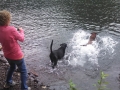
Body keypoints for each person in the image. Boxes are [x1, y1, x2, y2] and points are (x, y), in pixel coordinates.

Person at [0, 10, 30, 90]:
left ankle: (8, 82)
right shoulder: (12, 29)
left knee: (12, 67)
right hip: (17, 56)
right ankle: (24, 88)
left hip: (7, 55)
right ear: (7, 20)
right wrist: (21, 31)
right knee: (23, 71)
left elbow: (5, 37)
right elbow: (22, 39)